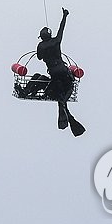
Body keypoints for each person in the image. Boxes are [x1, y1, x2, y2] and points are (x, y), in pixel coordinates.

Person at [37, 8, 86, 136]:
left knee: (42, 80)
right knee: (67, 90)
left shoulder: (40, 46)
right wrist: (65, 16)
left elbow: (39, 57)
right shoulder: (56, 41)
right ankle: (64, 107)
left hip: (53, 73)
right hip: (63, 71)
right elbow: (61, 29)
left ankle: (63, 108)